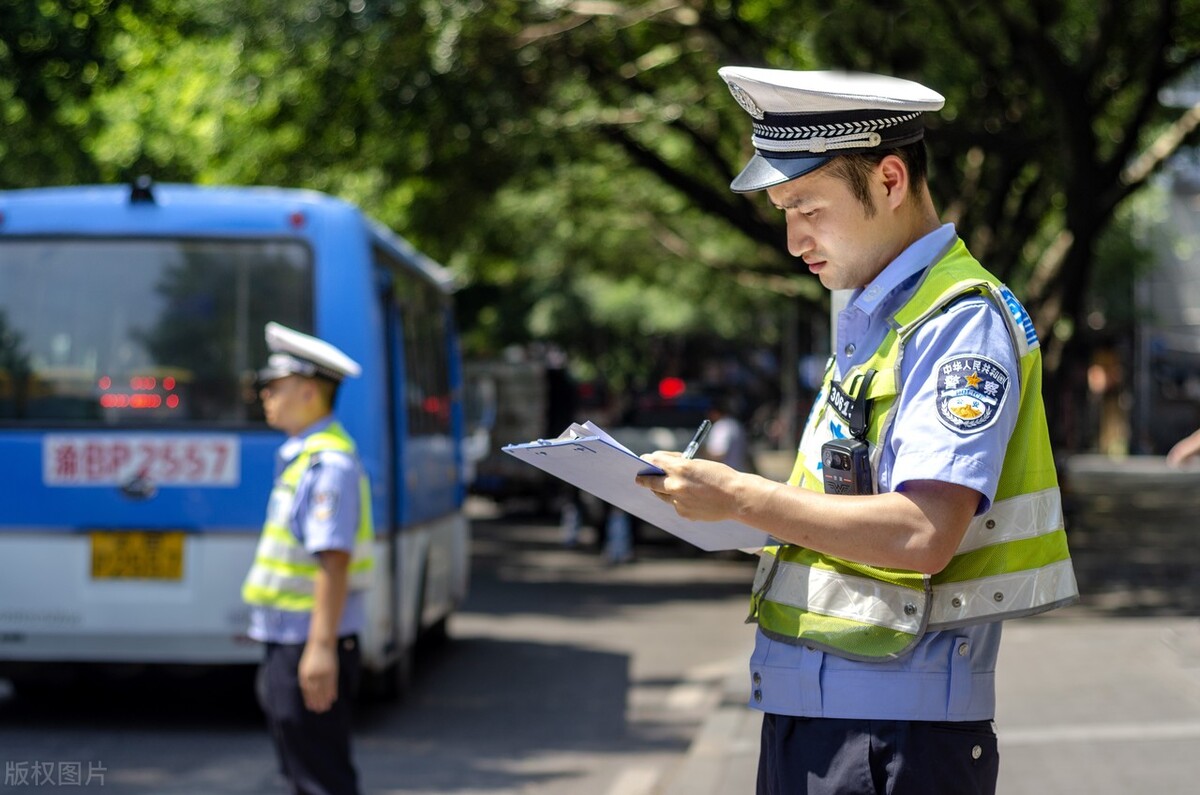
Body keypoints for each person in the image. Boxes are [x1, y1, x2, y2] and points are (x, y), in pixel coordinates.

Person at [636, 67, 1079, 795]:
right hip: (834, 725)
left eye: (807, 205)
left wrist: (742, 497)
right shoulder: (880, 323)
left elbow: (921, 533)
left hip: (888, 740)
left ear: (892, 179)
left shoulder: (956, 322)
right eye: (783, 210)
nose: (791, 239)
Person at [242, 322, 374, 795]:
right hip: (289, 637)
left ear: (308, 392)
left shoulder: (328, 464)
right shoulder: (304, 458)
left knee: (320, 779)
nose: (264, 396)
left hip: (310, 641)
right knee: (301, 772)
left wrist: (319, 649)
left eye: (273, 387)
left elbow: (333, 561)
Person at [703, 395, 751, 472]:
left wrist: (701, 453)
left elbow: (718, 455)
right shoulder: (736, 424)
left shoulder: (721, 426)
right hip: (739, 473)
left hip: (725, 474)